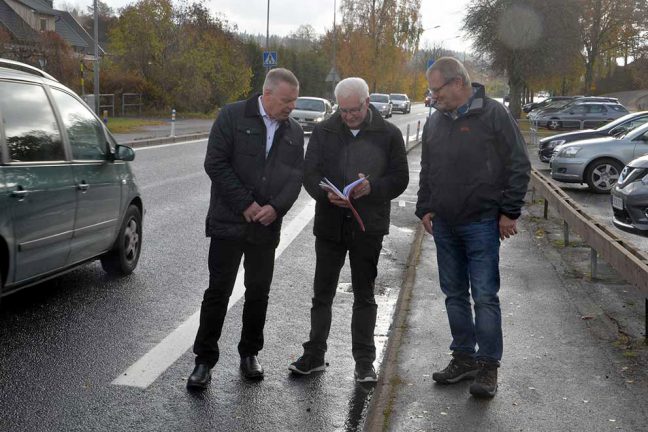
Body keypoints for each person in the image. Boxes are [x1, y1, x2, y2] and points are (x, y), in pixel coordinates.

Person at [416, 57, 531, 398]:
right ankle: (463, 358)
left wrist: (509, 212)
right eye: (431, 91)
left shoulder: (493, 114)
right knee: (453, 295)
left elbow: (519, 164)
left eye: (437, 89)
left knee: (483, 295)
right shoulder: (435, 121)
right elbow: (427, 167)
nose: (433, 97)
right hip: (445, 224)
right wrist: (425, 207)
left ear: (458, 83)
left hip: (482, 221)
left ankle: (487, 367)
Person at [187, 68, 304, 390]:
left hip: (265, 228)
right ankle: (203, 360)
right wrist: (246, 205)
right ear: (267, 95)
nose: (291, 107)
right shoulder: (232, 116)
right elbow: (216, 163)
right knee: (218, 292)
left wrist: (276, 208)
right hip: (228, 222)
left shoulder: (293, 131)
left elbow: (296, 177)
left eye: (293, 101)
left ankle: (250, 353)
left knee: (258, 293)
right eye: (286, 101)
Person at [289, 77, 409, 383]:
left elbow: (400, 178)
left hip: (367, 226)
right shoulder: (324, 130)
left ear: (367, 102)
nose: (348, 116)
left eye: (354, 110)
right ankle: (314, 355)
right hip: (330, 223)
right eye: (343, 110)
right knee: (322, 294)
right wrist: (324, 193)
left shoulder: (389, 134)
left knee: (365, 295)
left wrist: (373, 187)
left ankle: (364, 362)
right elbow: (310, 172)